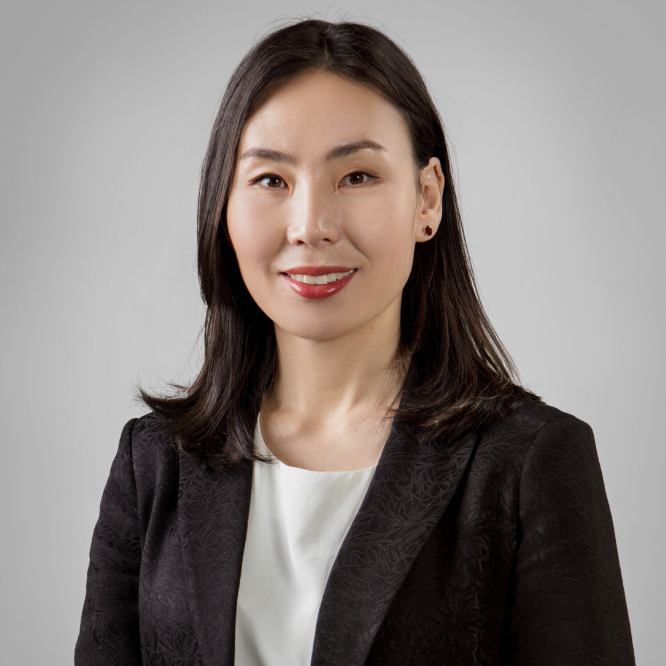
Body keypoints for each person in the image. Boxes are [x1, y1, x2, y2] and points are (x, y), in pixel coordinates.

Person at [74, 18, 635, 666]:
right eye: (271, 181)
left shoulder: (528, 463)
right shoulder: (154, 465)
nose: (310, 226)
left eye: (357, 177)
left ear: (428, 199)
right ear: (223, 207)